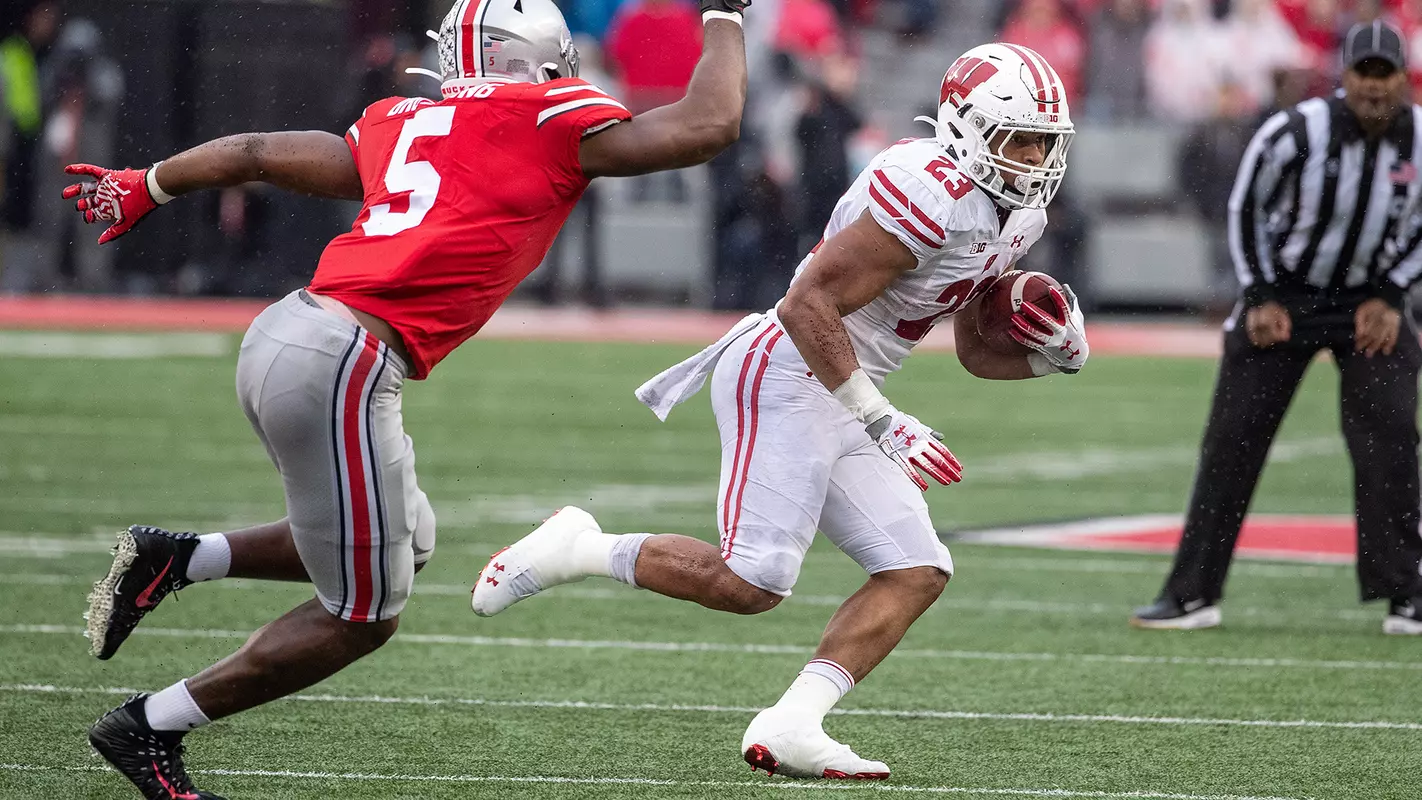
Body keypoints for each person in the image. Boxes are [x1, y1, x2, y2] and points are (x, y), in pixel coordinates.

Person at [68, 0, 751, 796]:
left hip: (287, 334)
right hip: (345, 363)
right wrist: (724, 15)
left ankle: (179, 558)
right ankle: (150, 726)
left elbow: (255, 150)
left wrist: (148, 183)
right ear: (532, 61)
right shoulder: (547, 116)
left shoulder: (401, 118)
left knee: (406, 539)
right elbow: (710, 123)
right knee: (362, 617)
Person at [470, 43, 1088, 779]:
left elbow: (972, 352)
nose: (1034, 157)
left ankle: (794, 722)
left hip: (849, 388)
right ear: (964, 126)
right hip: (790, 367)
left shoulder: (1020, 214)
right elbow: (806, 304)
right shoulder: (929, 189)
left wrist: (1053, 353)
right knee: (752, 583)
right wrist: (883, 419)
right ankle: (579, 548)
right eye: (1019, 138)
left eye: (1046, 142)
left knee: (916, 568)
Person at [1130, 21, 1422, 636]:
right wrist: (1259, 293)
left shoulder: (1419, 137)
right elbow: (1246, 206)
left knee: (1391, 437)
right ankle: (1193, 592)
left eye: (1384, 74)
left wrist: (1393, 294)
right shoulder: (1298, 130)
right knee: (1233, 440)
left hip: (1370, 299)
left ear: (1402, 78)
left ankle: (1407, 592)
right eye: (1363, 73)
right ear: (1344, 77)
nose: (1373, 87)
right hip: (1284, 296)